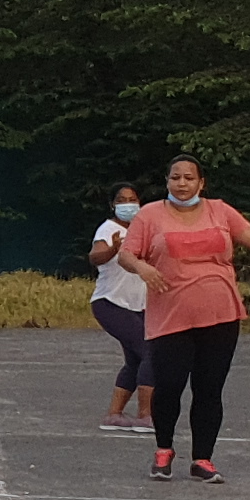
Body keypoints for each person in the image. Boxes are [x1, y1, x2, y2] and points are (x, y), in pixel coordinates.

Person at [118, 156, 250, 481]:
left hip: (220, 314)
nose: (182, 183)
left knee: (209, 389)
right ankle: (164, 449)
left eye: (189, 177)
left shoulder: (220, 211)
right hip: (171, 316)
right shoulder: (150, 215)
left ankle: (203, 458)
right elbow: (126, 254)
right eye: (175, 177)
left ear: (202, 183)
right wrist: (142, 267)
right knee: (169, 386)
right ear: (167, 181)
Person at [85, 184, 154, 430]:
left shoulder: (143, 230)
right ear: (112, 205)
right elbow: (95, 257)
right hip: (111, 303)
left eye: (132, 199)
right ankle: (145, 415)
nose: (128, 204)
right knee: (150, 352)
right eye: (121, 200)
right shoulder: (109, 229)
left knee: (135, 360)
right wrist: (113, 249)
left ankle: (114, 415)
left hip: (137, 306)